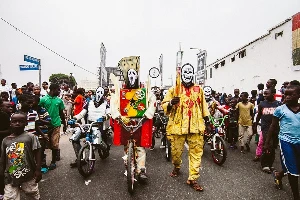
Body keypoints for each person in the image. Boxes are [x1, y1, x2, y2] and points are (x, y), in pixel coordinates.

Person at [162, 63, 210, 192]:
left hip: (195, 126)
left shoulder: (199, 89)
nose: (187, 75)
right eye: (185, 72)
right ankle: (177, 166)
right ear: (181, 74)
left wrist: (207, 120)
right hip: (178, 126)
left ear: (193, 74)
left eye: (190, 72)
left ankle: (193, 178)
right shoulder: (174, 89)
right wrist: (171, 103)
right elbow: (164, 104)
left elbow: (203, 106)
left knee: (196, 153)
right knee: (176, 152)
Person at [265, 85, 300, 199]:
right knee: (293, 170)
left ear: (298, 95)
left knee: (292, 167)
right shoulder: (280, 109)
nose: (287, 97)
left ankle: (278, 175)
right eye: (286, 94)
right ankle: (296, 196)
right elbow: (273, 126)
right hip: (286, 142)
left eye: (291, 94)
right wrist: (267, 143)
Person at [0, 111, 42, 200]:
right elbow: (3, 159)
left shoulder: (30, 137)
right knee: (10, 197)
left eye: (21, 121)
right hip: (11, 176)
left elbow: (38, 151)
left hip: (28, 174)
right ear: (10, 123)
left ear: (26, 123)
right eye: (14, 121)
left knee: (32, 194)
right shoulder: (5, 141)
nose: (17, 123)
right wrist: (1, 173)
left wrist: (38, 169)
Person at [253, 89, 281, 173]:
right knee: (268, 145)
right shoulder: (262, 104)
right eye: (264, 94)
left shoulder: (278, 104)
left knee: (273, 148)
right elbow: (259, 115)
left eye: (266, 94)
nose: (264, 95)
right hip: (265, 128)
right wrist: (255, 124)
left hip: (276, 129)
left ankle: (270, 164)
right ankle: (264, 164)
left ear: (273, 94)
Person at [39, 84, 66, 170]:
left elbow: (61, 113)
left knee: (54, 144)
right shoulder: (43, 100)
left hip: (56, 125)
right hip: (45, 126)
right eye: (58, 90)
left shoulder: (59, 101)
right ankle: (43, 163)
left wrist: (64, 124)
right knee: (43, 145)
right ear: (53, 89)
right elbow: (39, 111)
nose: (59, 92)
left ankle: (53, 161)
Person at [0, 100, 13, 199]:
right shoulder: (4, 115)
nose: (10, 109)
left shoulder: (5, 115)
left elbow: (10, 130)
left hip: (6, 144)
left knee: (10, 165)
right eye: (7, 107)